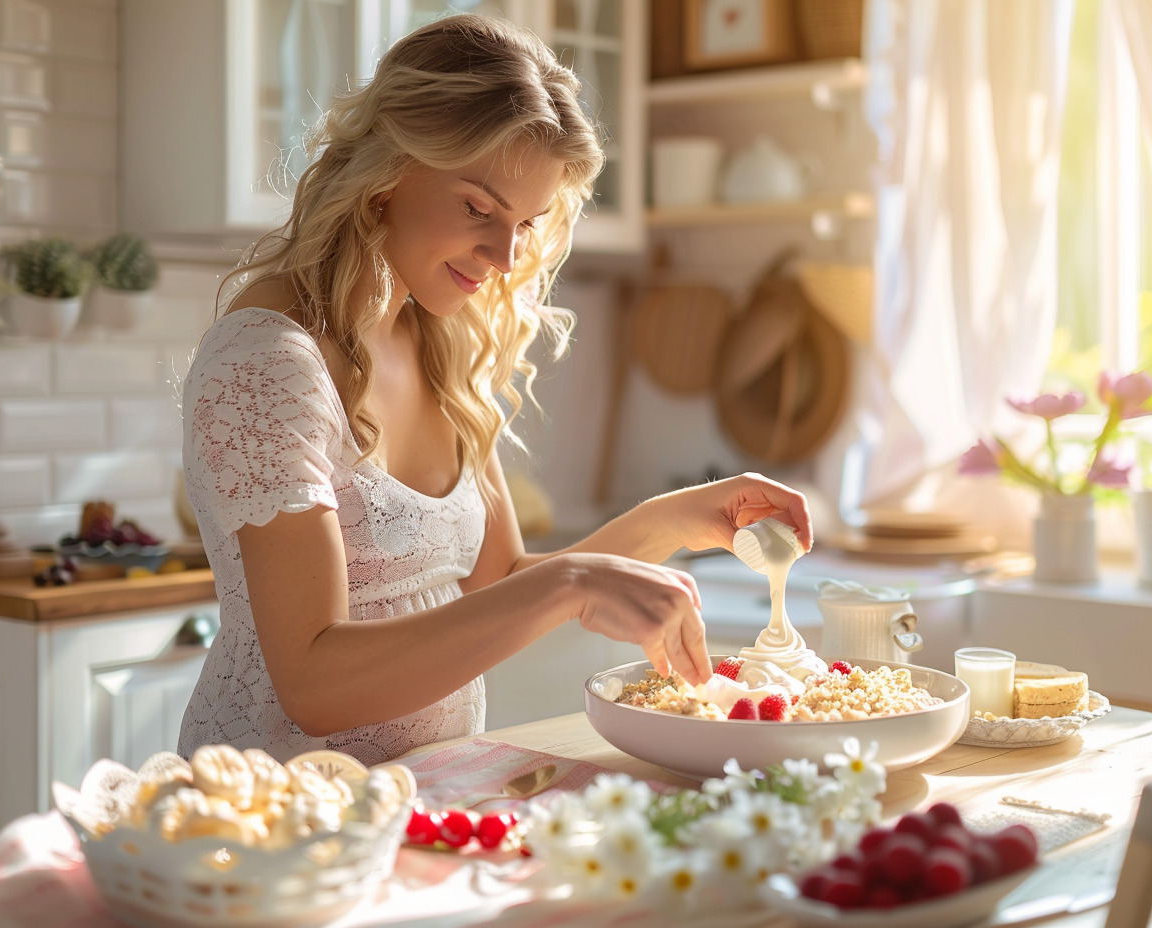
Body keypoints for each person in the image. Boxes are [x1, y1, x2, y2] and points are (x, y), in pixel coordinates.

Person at [177, 12, 813, 767]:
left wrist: (675, 517)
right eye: (478, 209)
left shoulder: (440, 343)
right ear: (384, 178)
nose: (507, 254)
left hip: (424, 801)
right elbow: (313, 685)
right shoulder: (267, 362)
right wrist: (574, 581)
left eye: (527, 222)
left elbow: (500, 586)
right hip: (275, 819)